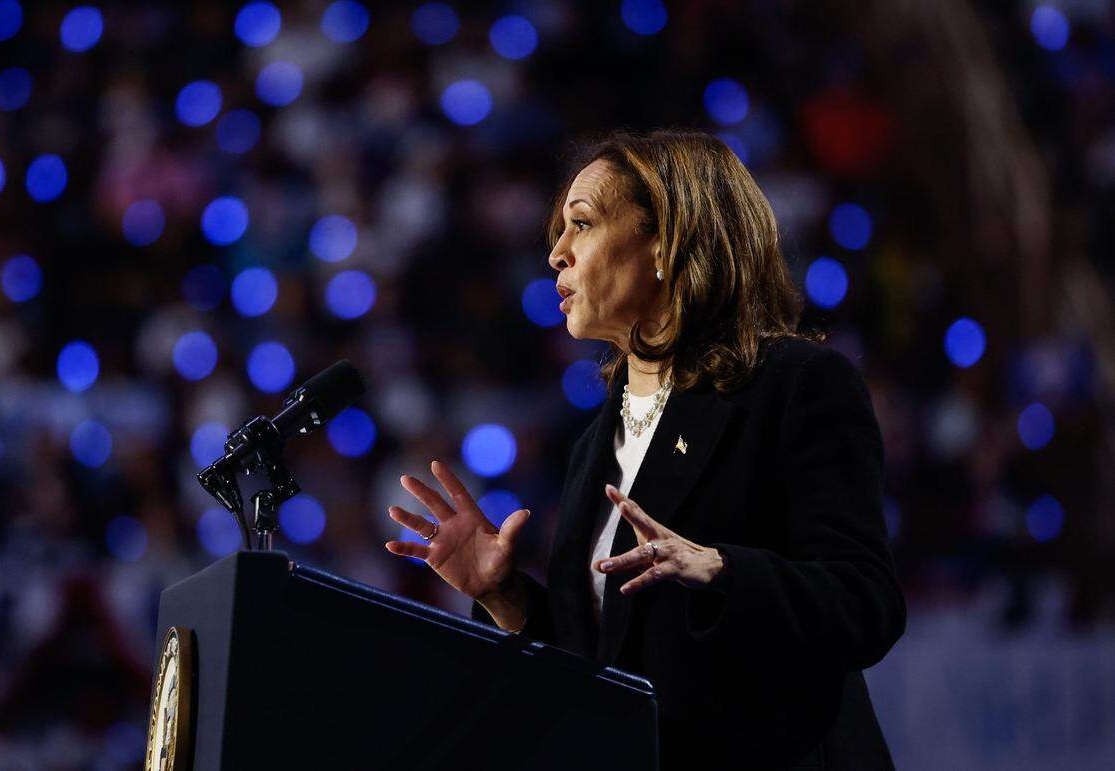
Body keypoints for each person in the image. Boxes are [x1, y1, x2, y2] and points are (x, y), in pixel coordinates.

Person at [384, 130, 906, 769]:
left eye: (581, 224)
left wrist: (718, 568)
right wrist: (504, 595)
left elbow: (865, 606)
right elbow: (604, 667)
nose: (556, 255)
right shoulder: (592, 444)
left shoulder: (796, 386)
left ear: (667, 243)